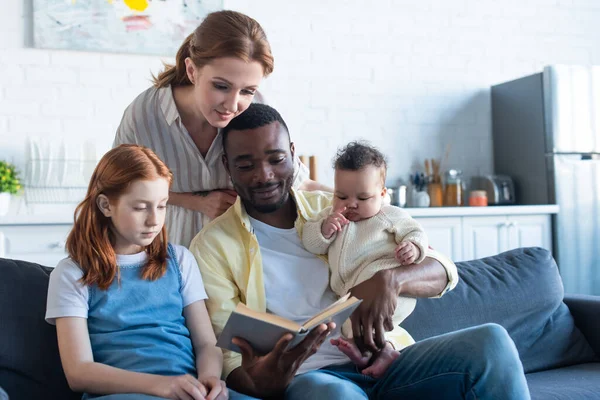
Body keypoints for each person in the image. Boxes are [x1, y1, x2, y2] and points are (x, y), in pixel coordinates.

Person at [189, 103, 531, 399]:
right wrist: (260, 381)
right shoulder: (212, 246)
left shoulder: (341, 204)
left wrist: (390, 279)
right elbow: (230, 356)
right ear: (227, 165)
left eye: (276, 159)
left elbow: (443, 270)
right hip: (313, 378)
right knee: (334, 394)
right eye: (246, 165)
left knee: (492, 342)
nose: (264, 175)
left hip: (387, 357)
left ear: (293, 153)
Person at [45, 144, 256, 400]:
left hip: (188, 391)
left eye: (162, 206)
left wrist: (211, 380)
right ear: (105, 205)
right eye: (140, 207)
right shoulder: (71, 274)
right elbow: (79, 373)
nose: (154, 220)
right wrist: (160, 386)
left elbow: (205, 343)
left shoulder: (179, 259)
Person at [113, 10, 327, 248]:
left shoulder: (256, 110)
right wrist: (195, 202)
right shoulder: (145, 114)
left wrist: (363, 198)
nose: (233, 105)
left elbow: (299, 182)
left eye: (248, 90)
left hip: (237, 259)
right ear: (192, 70)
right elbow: (118, 187)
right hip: (164, 257)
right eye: (221, 86)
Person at [302, 141, 429, 378]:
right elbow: (310, 241)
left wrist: (413, 247)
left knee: (371, 322)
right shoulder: (331, 215)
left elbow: (415, 232)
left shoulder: (389, 215)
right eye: (341, 195)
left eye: (363, 198)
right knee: (350, 324)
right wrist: (324, 230)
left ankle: (388, 351)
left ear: (382, 195)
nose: (350, 204)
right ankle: (369, 357)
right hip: (352, 297)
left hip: (392, 293)